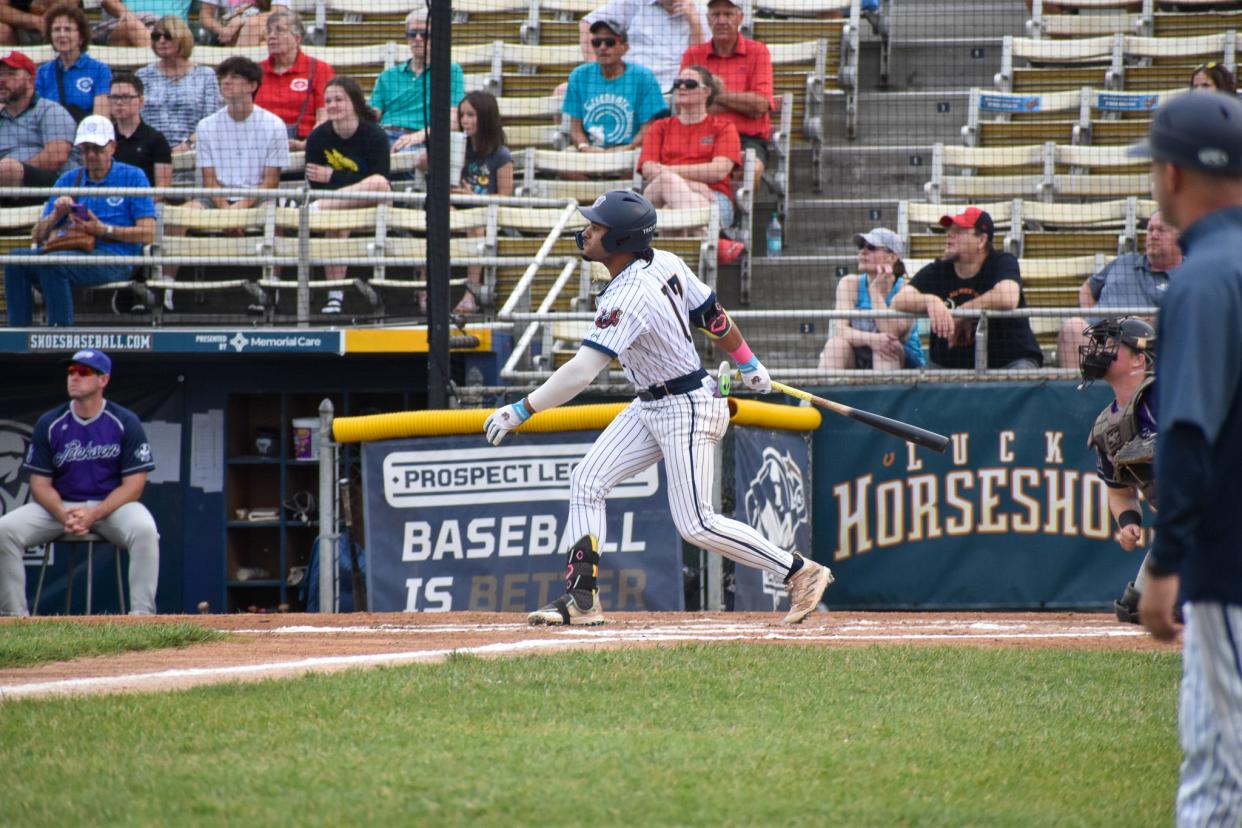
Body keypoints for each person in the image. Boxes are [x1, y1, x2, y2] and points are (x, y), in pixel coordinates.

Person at [482, 189, 834, 627]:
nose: (588, 231)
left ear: (619, 241)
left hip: (684, 407)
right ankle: (581, 600)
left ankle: (800, 571)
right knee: (587, 479)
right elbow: (713, 316)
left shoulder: (628, 295)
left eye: (597, 227)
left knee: (697, 524)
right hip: (651, 401)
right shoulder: (664, 259)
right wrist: (748, 362)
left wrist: (522, 409)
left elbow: (582, 372)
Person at [1134, 91, 1242, 826]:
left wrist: (1164, 564)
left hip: (1230, 567)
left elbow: (1187, 436)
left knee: (1224, 777)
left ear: (1171, 174)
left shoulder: (1203, 278)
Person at [0, 350, 160, 617]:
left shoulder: (124, 421)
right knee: (4, 530)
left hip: (110, 508)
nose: (74, 377)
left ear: (103, 380)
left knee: (145, 530)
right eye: (71, 371)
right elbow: (39, 484)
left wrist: (93, 514)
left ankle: (142, 617)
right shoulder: (50, 422)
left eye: (83, 372)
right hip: (60, 507)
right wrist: (63, 514)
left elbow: (134, 486)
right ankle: (14, 618)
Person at [4, 115, 155, 326]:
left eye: (96, 148)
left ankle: (61, 333)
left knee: (53, 264)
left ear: (112, 147)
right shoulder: (68, 179)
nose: (90, 155)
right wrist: (56, 214)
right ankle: (18, 333)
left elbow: (148, 232)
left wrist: (103, 230)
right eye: (85, 149)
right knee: (15, 259)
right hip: (71, 250)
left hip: (116, 256)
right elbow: (37, 235)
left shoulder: (134, 177)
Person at [890, 206, 1044, 370]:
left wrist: (963, 312)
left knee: (1021, 375)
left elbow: (1007, 297)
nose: (949, 234)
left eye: (959, 231)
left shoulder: (1002, 262)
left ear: (981, 240)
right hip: (948, 366)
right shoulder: (938, 269)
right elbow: (899, 301)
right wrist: (930, 301)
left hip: (1009, 362)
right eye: (949, 229)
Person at [1078, 317, 1160, 624]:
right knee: (1136, 608)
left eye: (1112, 344)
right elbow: (1120, 492)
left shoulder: (1169, 394)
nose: (1101, 350)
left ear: (1139, 359)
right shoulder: (1106, 426)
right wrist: (1128, 522)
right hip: (1184, 526)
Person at [304, 76, 390, 315]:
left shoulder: (374, 135)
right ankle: (335, 295)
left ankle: (318, 210)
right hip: (335, 203)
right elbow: (314, 182)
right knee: (337, 223)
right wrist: (336, 185)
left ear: (353, 102)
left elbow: (381, 178)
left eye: (338, 99)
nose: (332, 105)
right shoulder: (317, 138)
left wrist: (333, 176)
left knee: (377, 182)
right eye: (328, 100)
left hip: (375, 202)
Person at [1056, 210, 1180, 368]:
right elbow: (1087, 288)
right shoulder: (1124, 262)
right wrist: (1094, 316)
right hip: (1098, 345)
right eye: (1150, 230)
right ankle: (1079, 392)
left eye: (1161, 230)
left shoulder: (1187, 274)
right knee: (1073, 328)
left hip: (1144, 350)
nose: (1153, 235)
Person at [680, 0, 773, 189]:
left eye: (728, 14)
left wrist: (713, 95)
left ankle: (740, 218)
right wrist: (739, 101)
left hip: (746, 140)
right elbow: (684, 106)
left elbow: (759, 106)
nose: (722, 20)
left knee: (751, 169)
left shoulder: (758, 51)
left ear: (740, 18)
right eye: (716, 14)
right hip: (702, 135)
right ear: (707, 19)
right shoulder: (693, 54)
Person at [638, 66, 739, 234]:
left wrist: (670, 173)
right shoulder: (659, 127)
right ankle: (708, 240)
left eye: (690, 84)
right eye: (678, 83)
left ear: (707, 91)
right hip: (658, 194)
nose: (682, 87)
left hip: (713, 198)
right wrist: (689, 184)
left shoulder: (724, 127)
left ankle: (693, 244)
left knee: (671, 207)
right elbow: (648, 169)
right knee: (666, 181)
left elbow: (718, 171)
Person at [818, 227, 925, 372]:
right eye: (861, 246)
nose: (863, 251)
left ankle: (887, 395)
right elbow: (841, 330)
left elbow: (891, 333)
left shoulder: (906, 290)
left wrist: (875, 292)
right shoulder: (849, 283)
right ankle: (824, 394)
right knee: (835, 345)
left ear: (892, 257)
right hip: (860, 352)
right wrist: (872, 339)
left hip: (904, 361)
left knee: (887, 347)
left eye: (872, 247)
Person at [448, 90, 513, 316]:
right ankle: (424, 290)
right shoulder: (455, 146)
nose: (464, 121)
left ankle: (470, 294)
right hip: (454, 206)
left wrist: (474, 199)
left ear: (485, 117)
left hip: (484, 213)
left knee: (474, 225)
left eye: (471, 115)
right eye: (462, 115)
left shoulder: (501, 154)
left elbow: (505, 196)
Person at [369, 8, 464, 160]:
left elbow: (453, 120)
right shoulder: (388, 76)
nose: (418, 39)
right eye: (412, 34)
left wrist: (420, 135)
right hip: (383, 137)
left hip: (420, 140)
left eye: (425, 34)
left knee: (401, 158)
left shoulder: (450, 71)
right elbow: (371, 116)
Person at [564, 20, 667, 153]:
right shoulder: (579, 76)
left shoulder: (644, 77)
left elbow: (648, 128)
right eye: (596, 42)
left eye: (609, 42)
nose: (602, 47)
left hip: (631, 151)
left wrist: (628, 148)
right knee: (566, 162)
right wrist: (584, 147)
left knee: (642, 162)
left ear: (625, 47)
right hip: (590, 151)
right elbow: (575, 128)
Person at [136, 16, 224, 156]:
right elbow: (135, 120)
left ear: (182, 38)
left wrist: (186, 146)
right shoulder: (143, 75)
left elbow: (211, 123)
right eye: (156, 36)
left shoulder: (205, 75)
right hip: (150, 153)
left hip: (195, 153)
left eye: (168, 36)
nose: (162, 41)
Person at [581, 0, 709, 92]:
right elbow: (587, 23)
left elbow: (699, 63)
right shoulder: (634, 3)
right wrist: (598, 74)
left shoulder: (699, 12)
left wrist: (694, 22)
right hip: (633, 87)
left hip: (680, 90)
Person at [255, 9, 333, 152]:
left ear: (297, 39)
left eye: (279, 31)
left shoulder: (320, 69)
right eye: (268, 32)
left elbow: (324, 117)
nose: (271, 36)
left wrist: (308, 144)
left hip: (306, 145)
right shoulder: (255, 71)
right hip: (260, 146)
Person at [0, 50, 75, 189]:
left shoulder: (50, 111)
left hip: (48, 186)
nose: (2, 80)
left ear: (30, 81)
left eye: (11, 74)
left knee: (7, 168)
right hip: (5, 189)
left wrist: (16, 171)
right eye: (0, 74)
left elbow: (55, 157)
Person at [36, 4, 111, 123]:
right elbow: (37, 114)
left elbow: (100, 120)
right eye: (56, 29)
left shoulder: (99, 69)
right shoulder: (42, 72)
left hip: (85, 136)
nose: (62, 34)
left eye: (68, 29)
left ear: (81, 37)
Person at [109, 71, 171, 194]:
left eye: (126, 97)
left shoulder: (156, 139)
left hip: (145, 204)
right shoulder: (104, 138)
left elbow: (163, 188)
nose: (119, 102)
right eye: (114, 97)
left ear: (141, 101)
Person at [200, 0, 289, 48]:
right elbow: (205, 16)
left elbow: (278, 14)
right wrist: (222, 30)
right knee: (262, 45)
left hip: (266, 28)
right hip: (231, 32)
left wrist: (242, 21)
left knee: (252, 25)